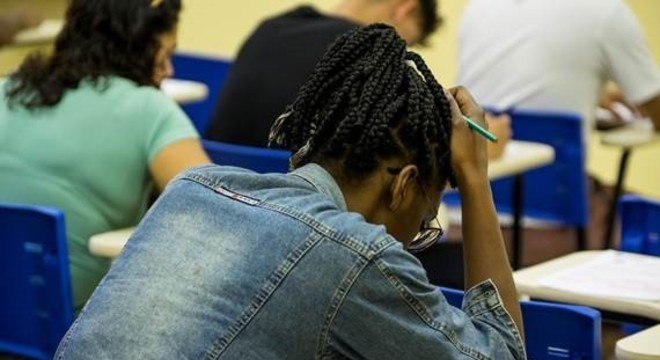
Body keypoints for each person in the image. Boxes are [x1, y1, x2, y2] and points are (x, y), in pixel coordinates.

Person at [56, 25, 525, 359]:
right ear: (403, 185)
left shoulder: (192, 188)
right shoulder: (356, 254)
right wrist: (474, 178)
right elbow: (502, 353)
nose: (414, 237)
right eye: (425, 223)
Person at [0, 0, 209, 310]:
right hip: (73, 324)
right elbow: (215, 210)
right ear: (138, 47)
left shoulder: (9, 89)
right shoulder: (149, 110)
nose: (169, 70)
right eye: (165, 55)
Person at [205, 0, 441, 147]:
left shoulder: (272, 27)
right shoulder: (371, 56)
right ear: (404, 9)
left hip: (214, 178)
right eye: (404, 41)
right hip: (293, 200)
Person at [457, 0, 660, 133]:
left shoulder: (477, 8)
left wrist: (591, 96)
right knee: (632, 199)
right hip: (554, 190)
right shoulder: (607, 11)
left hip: (468, 191)